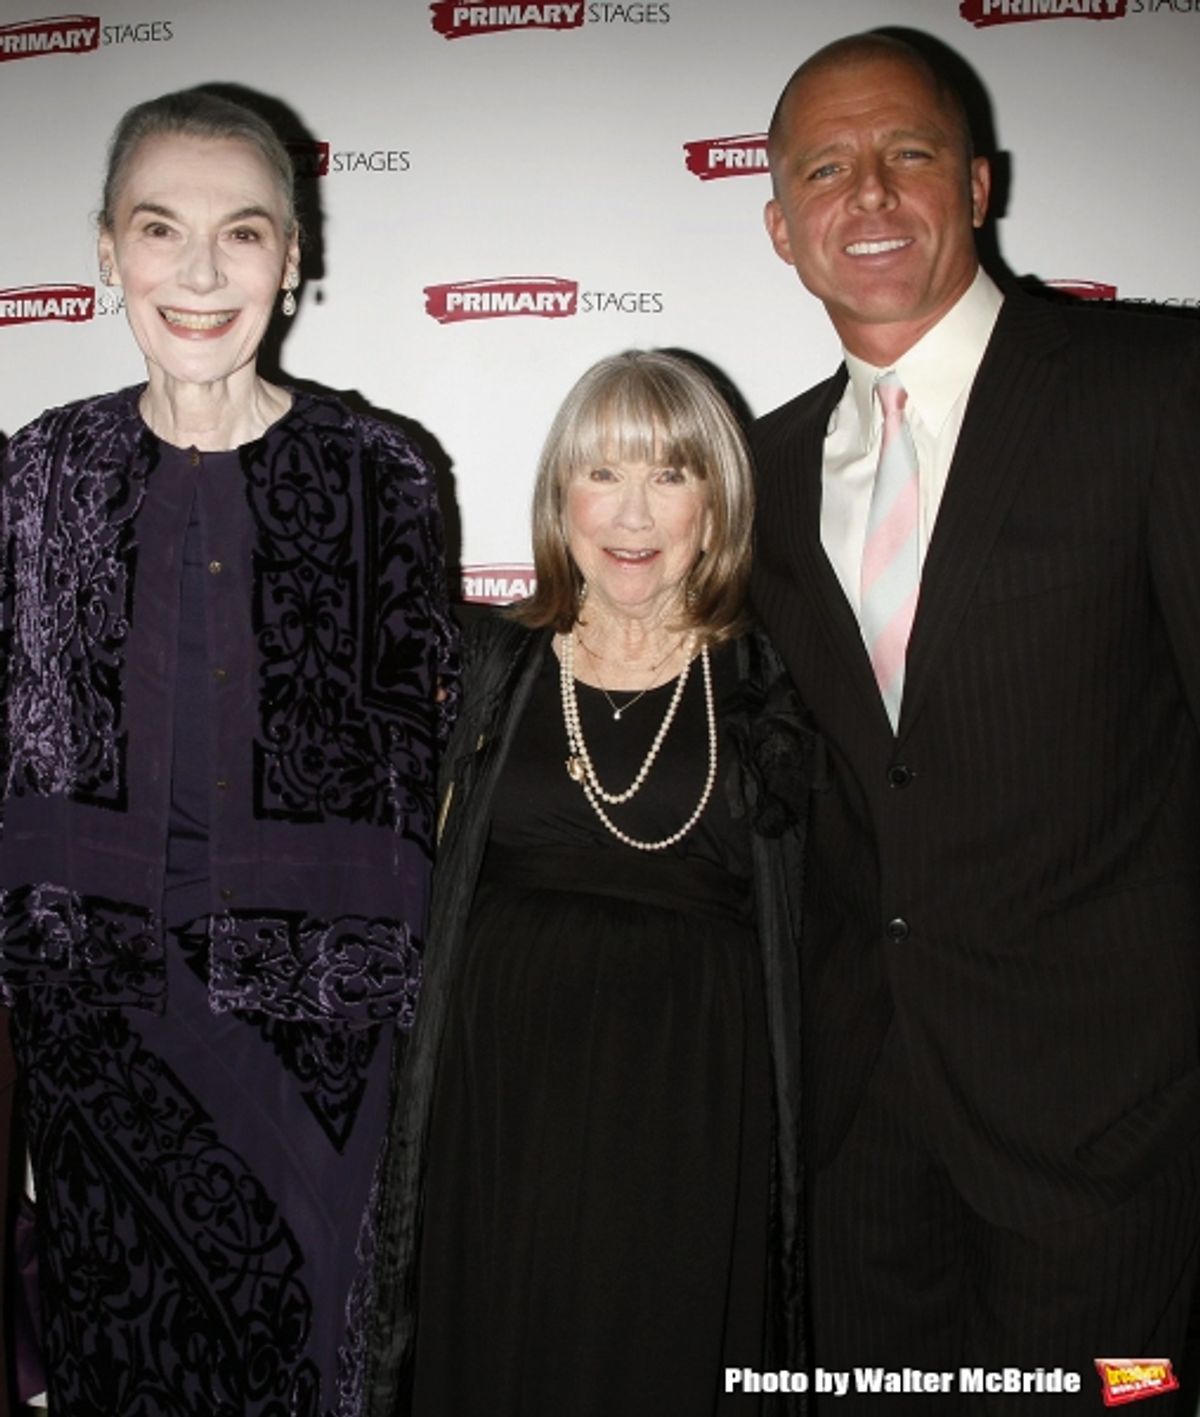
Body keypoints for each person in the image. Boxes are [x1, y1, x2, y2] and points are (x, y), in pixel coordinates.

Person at [752, 30, 1200, 1410]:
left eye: (909, 156)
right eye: (827, 170)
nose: (869, 198)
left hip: (1116, 1140)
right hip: (862, 1147)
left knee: (1129, 1405)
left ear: (980, 183)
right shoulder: (757, 469)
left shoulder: (1155, 386)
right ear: (781, 225)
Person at [0, 89, 457, 1414]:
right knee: (122, 1361)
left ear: (295, 257)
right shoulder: (38, 475)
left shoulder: (386, 474)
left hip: (323, 1033)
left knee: (314, 1366)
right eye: (160, 229)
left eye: (242, 233)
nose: (200, 272)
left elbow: (427, 752)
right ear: (104, 251)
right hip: (97, 1031)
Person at [365, 350, 814, 1417]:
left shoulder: (774, 680)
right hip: (495, 1111)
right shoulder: (486, 664)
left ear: (717, 503)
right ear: (560, 493)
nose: (633, 511)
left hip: (686, 1122)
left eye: (669, 474)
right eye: (603, 472)